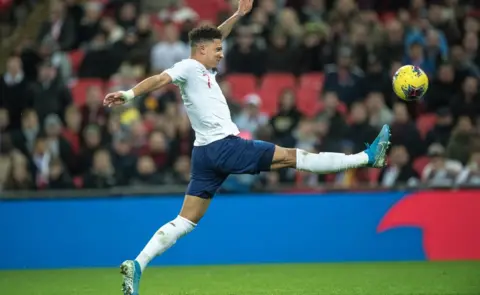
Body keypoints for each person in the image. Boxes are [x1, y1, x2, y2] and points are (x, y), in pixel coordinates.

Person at [103, 1, 391, 294]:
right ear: (201, 50)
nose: (221, 52)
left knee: (186, 220)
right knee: (293, 157)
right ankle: (365, 158)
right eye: (216, 49)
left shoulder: (201, 66)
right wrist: (129, 94)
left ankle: (138, 263)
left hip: (204, 154)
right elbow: (160, 79)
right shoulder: (188, 67)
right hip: (225, 146)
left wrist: (238, 15)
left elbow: (218, 35)